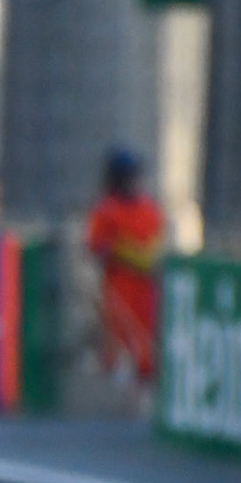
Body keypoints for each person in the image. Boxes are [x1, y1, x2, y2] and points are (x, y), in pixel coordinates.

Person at [85, 148, 164, 382]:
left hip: (146, 285)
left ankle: (144, 377)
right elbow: (96, 246)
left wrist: (144, 258)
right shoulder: (106, 209)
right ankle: (116, 379)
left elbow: (156, 243)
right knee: (118, 334)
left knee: (147, 337)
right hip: (118, 283)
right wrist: (122, 252)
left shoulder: (148, 209)